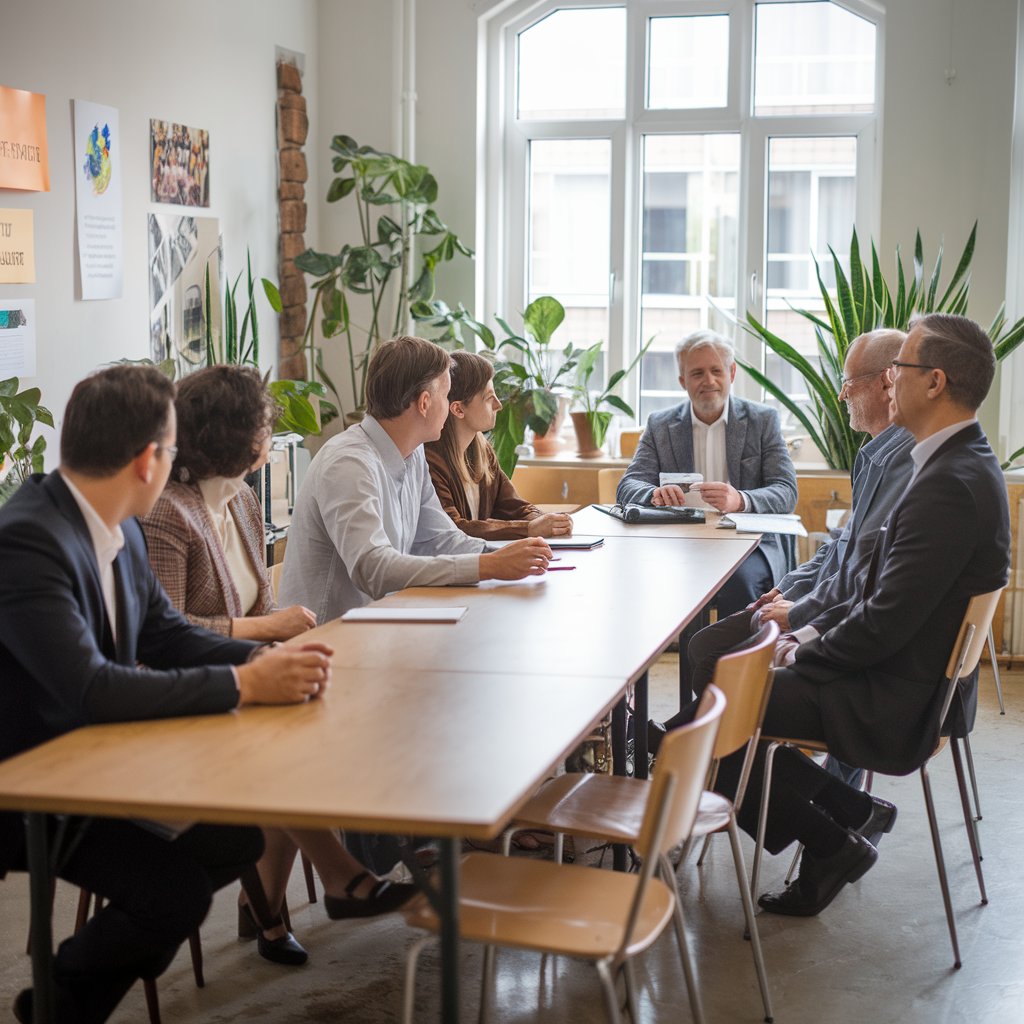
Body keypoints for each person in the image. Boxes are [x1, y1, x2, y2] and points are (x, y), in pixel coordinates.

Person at [0, 365, 333, 1024]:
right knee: (173, 894)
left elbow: (168, 633)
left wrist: (269, 659)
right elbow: (92, 687)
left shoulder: (116, 522)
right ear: (150, 459)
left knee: (234, 839)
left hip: (102, 760)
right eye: (175, 452)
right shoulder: (27, 541)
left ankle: (58, 999)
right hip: (33, 784)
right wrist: (246, 683)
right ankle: (61, 1003)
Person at [724, 314, 1011, 918]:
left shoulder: (947, 483)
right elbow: (875, 593)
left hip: (892, 699)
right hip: (894, 675)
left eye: (898, 369)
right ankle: (849, 819)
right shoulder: (951, 464)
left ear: (933, 382)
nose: (888, 382)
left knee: (718, 709)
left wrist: (799, 651)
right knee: (715, 706)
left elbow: (881, 622)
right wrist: (801, 637)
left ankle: (835, 839)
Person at [140, 366, 416, 969]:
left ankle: (270, 908)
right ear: (244, 436)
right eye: (266, 424)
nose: (273, 433)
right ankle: (335, 884)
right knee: (288, 752)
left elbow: (262, 604)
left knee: (332, 720)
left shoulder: (239, 499)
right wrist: (268, 633)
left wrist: (281, 642)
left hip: (249, 688)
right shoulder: (168, 512)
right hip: (187, 698)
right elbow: (160, 636)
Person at [655, 329, 915, 757]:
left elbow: (794, 500)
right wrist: (793, 587)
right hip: (699, 555)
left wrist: (799, 610)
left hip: (799, 590)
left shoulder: (901, 460)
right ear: (682, 380)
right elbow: (842, 546)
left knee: (726, 646)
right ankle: (690, 751)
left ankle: (685, 751)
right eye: (696, 373)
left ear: (888, 380)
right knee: (703, 645)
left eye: (848, 383)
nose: (841, 395)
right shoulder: (872, 454)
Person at [280, 335, 554, 624]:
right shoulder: (348, 462)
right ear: (425, 402)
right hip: (326, 642)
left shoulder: (412, 454)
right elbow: (373, 569)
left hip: (379, 626)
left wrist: (505, 554)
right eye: (447, 396)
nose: (450, 407)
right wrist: (489, 565)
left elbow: (440, 539)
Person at [616, 329, 797, 615]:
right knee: (649, 578)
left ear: (732, 373)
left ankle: (733, 660)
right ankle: (687, 657)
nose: (708, 381)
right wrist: (653, 494)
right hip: (679, 543)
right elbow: (628, 486)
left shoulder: (763, 421)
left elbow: (786, 491)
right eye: (697, 373)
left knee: (737, 584)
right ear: (682, 381)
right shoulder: (660, 425)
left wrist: (740, 500)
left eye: (716, 370)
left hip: (748, 544)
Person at [425, 349, 573, 540]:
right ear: (458, 409)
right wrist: (528, 529)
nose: (498, 405)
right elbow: (454, 529)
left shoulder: (482, 450)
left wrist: (547, 522)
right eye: (488, 398)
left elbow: (515, 506)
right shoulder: (430, 461)